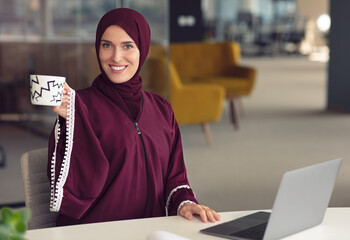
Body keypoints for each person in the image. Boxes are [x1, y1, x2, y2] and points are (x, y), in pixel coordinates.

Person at [47, 8, 220, 226]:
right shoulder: (78, 106)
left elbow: (175, 179)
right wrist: (72, 123)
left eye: (128, 46)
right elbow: (69, 191)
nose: (116, 57)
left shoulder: (162, 108)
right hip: (94, 230)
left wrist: (185, 203)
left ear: (143, 49)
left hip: (148, 230)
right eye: (107, 45)